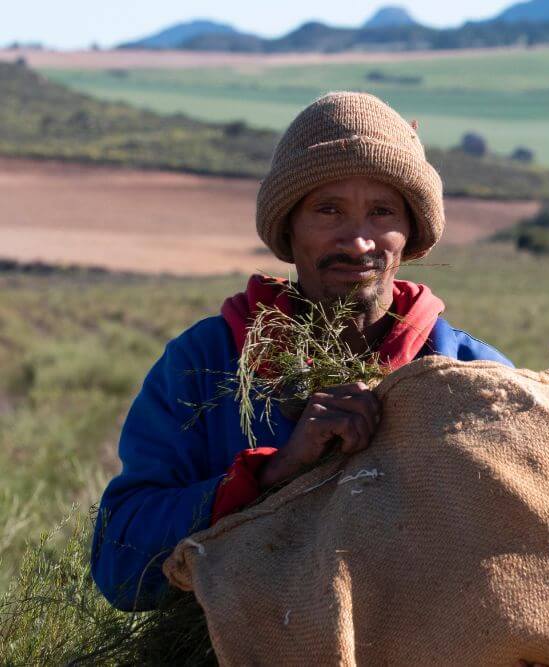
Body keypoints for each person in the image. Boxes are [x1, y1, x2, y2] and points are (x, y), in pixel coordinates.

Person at [91, 92, 512, 611]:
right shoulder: (204, 363)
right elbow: (120, 564)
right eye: (328, 210)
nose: (358, 242)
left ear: (411, 231)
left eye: (381, 212)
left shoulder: (474, 374)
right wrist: (273, 472)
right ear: (289, 228)